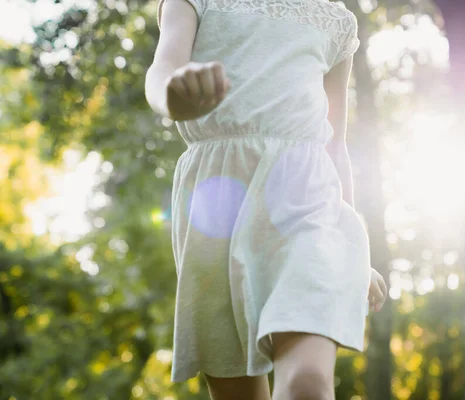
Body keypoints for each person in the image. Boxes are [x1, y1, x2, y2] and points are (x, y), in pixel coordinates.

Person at [144, 0, 387, 398]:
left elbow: (335, 144)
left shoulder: (336, 18)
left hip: (306, 200)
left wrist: (354, 251)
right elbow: (162, 70)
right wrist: (172, 98)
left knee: (307, 382)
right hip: (215, 202)